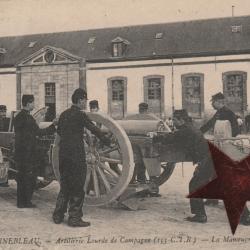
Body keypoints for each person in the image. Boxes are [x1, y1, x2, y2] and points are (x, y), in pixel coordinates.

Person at [52, 88, 111, 227]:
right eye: (85, 100)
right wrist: (106, 140)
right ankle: (74, 218)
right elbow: (93, 128)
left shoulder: (64, 114)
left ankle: (58, 215)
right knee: (78, 186)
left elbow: (59, 132)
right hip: (76, 155)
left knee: (65, 185)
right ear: (80, 100)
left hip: (63, 155)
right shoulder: (81, 115)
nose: (86, 102)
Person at [150, 109, 216, 223]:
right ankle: (245, 216)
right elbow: (176, 138)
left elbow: (171, 138)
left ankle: (200, 215)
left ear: (181, 120)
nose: (173, 122)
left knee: (195, 185)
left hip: (207, 160)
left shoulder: (185, 130)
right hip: (210, 158)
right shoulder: (189, 127)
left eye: (175, 120)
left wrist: (154, 137)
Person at [13, 95, 57, 208]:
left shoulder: (18, 117)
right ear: (28, 104)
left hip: (20, 153)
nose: (34, 105)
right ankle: (26, 202)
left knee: (21, 177)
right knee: (30, 178)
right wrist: (54, 126)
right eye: (33, 103)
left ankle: (21, 202)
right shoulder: (28, 119)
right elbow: (39, 132)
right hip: (28, 154)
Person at [200, 92, 239, 206]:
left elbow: (235, 130)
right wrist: (198, 132)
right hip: (220, 145)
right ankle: (213, 199)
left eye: (213, 102)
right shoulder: (219, 113)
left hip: (226, 146)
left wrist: (228, 141)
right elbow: (210, 124)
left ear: (218, 102)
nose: (212, 104)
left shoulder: (228, 113)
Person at [126, 102, 161, 196]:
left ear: (140, 109)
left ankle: (141, 184)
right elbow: (159, 127)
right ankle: (150, 187)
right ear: (147, 109)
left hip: (137, 142)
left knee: (139, 163)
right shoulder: (152, 118)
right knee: (148, 164)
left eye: (141, 108)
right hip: (147, 144)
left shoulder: (134, 117)